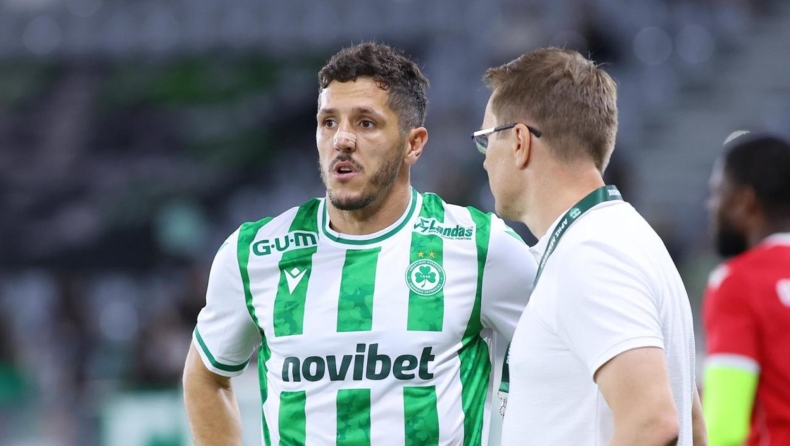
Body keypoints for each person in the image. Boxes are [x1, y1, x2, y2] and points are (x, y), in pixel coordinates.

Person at [182, 42, 536, 445]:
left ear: (413, 144)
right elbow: (205, 376)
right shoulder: (255, 253)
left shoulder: (480, 247)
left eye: (366, 123)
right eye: (329, 122)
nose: (342, 140)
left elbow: (567, 357)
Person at [473, 47, 706, 445]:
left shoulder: (592, 252)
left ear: (519, 141)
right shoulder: (619, 237)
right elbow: (692, 423)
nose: (483, 160)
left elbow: (653, 422)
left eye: (485, 140)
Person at [703, 132, 790, 446]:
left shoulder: (737, 282)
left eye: (717, 193)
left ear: (745, 201)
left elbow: (724, 428)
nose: (711, 206)